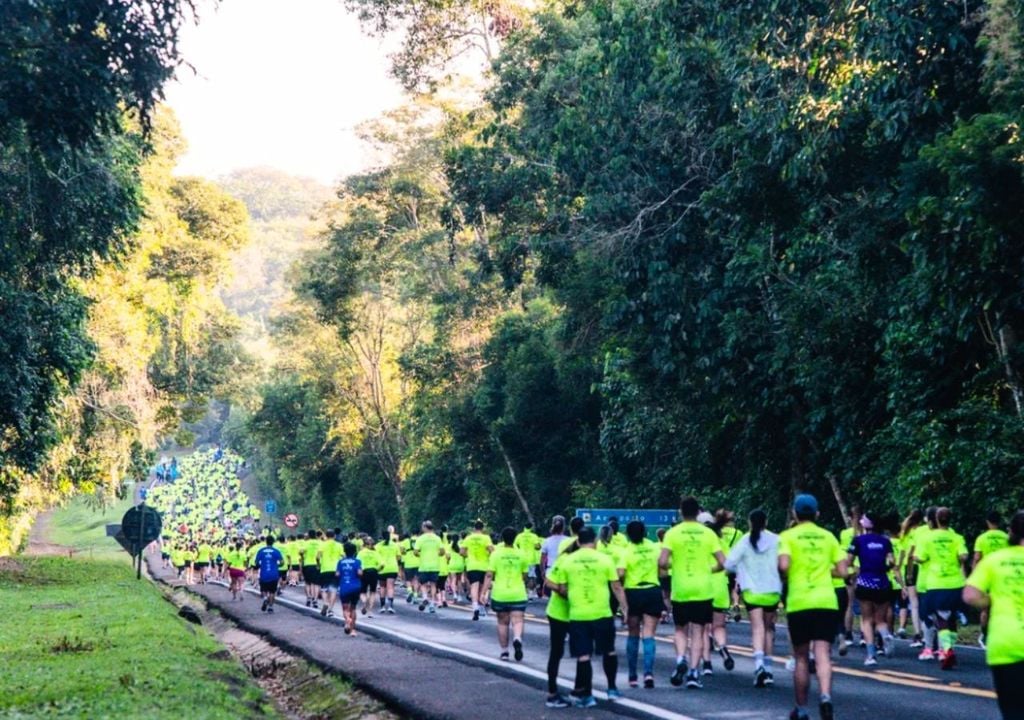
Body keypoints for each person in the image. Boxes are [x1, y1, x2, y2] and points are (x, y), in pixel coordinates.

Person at [778, 494, 848, 720]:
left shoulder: (787, 537)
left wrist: (788, 573)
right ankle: (826, 696)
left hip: (800, 602)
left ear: (795, 515)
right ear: (817, 514)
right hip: (826, 600)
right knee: (823, 654)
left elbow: (784, 566)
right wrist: (827, 571)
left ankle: (801, 708)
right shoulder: (828, 537)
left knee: (801, 657)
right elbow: (844, 571)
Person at [547, 526, 628, 708]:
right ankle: (612, 688)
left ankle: (587, 695)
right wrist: (625, 608)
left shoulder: (568, 560)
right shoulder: (605, 559)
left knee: (584, 655)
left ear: (577, 540)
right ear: (596, 541)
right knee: (609, 650)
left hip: (578, 614)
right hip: (602, 612)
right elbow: (616, 586)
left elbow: (556, 584)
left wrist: (568, 593)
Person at [659, 496, 726, 690]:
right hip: (703, 589)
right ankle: (694, 673)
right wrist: (709, 569)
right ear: (698, 513)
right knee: (698, 631)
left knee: (680, 629)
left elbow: (662, 562)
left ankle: (681, 658)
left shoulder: (673, 533)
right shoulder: (708, 534)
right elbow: (723, 562)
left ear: (681, 512)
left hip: (681, 589)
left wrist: (675, 565)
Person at [963, 510, 1024, 720]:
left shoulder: (996, 560)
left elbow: (970, 595)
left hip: (1006, 643)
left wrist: (991, 600)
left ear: (1012, 532)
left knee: (1014, 710)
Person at [725, 508, 781, 688]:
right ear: (766, 522)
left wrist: (742, 569)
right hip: (772, 590)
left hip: (752, 591)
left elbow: (729, 563)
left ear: (750, 523)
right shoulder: (776, 539)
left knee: (757, 628)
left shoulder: (744, 540)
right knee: (769, 629)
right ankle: (769, 670)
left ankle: (758, 666)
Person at [914, 507, 968, 669]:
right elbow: (964, 556)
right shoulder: (957, 537)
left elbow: (919, 557)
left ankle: (946, 650)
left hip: (936, 583)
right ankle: (949, 647)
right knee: (951, 618)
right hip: (956, 582)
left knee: (941, 617)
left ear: (936, 520)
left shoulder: (927, 538)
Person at [847, 513, 896, 666]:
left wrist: (850, 573)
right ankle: (885, 634)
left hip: (865, 583)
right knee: (880, 619)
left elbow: (848, 560)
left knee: (867, 619)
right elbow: (892, 562)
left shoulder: (858, 540)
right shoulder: (886, 541)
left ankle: (871, 655)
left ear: (867, 525)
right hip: (883, 583)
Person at [622, 520, 662, 689]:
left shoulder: (626, 550)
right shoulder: (654, 547)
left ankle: (632, 676)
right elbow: (663, 567)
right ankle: (648, 673)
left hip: (633, 592)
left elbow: (621, 573)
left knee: (633, 633)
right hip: (652, 590)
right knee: (649, 634)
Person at [484, 527, 530, 661]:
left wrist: (484, 592)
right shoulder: (521, 554)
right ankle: (517, 638)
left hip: (500, 594)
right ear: (515, 538)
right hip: (518, 593)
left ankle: (504, 652)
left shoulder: (496, 554)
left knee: (503, 622)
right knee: (518, 620)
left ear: (502, 538)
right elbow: (525, 575)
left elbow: (489, 574)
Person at [972, 511, 1010, 649]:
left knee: (985, 609)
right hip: (1004, 576)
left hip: (987, 576)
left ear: (987, 522)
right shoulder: (1006, 537)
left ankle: (985, 636)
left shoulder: (982, 538)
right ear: (999, 521)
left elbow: (977, 558)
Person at [462, 520, 494, 620]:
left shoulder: (468, 538)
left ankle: (475, 606)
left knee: (474, 586)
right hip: (484, 565)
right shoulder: (486, 538)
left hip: (472, 565)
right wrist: (487, 555)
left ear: (474, 528)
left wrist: (470, 556)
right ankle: (481, 607)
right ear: (483, 528)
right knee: (482, 587)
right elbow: (492, 550)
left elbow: (462, 552)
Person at [414, 521, 445, 613]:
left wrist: (421, 554)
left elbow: (415, 552)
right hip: (435, 565)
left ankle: (424, 597)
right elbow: (442, 551)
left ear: (425, 527)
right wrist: (437, 554)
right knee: (433, 585)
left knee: (423, 584)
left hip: (424, 565)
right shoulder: (437, 538)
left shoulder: (421, 538)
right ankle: (432, 604)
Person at [336, 542, 363, 635]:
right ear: (354, 552)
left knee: (345, 608)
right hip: (356, 586)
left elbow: (337, 574)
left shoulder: (341, 562)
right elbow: (360, 573)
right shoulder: (357, 561)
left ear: (345, 551)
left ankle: (348, 619)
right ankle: (353, 630)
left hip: (344, 587)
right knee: (353, 608)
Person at [317, 530, 344, 618]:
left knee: (324, 589)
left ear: (326, 536)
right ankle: (330, 610)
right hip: (336, 570)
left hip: (325, 569)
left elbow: (317, 556)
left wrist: (318, 564)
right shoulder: (339, 545)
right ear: (335, 536)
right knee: (333, 590)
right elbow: (343, 556)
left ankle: (325, 603)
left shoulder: (322, 544)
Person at [255, 536, 285, 613]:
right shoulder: (276, 551)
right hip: (274, 574)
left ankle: (265, 599)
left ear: (266, 541)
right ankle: (270, 607)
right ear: (273, 542)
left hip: (264, 574)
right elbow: (282, 562)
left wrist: (260, 565)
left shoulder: (261, 551)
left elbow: (256, 562)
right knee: (272, 592)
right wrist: (277, 565)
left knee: (264, 590)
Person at [540, 515, 568, 598]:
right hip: (565, 570)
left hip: (551, 571)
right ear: (564, 527)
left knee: (553, 597)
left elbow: (542, 559)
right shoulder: (568, 540)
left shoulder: (547, 541)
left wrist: (542, 572)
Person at [357, 537, 382, 617]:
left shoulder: (361, 553)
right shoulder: (376, 553)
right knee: (373, 592)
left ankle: (364, 601)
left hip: (364, 572)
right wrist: (378, 570)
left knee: (362, 591)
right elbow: (382, 564)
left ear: (364, 544)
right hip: (373, 572)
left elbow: (357, 563)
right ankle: (370, 611)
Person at [376, 531, 400, 614]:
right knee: (390, 587)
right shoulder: (395, 545)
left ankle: (382, 606)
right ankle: (390, 606)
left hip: (382, 568)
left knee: (382, 587)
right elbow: (398, 557)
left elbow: (376, 557)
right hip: (392, 568)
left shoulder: (378, 546)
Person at [302, 530, 322, 609]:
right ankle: (315, 600)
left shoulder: (306, 543)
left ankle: (309, 598)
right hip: (317, 565)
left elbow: (301, 551)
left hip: (307, 564)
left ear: (309, 535)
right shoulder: (320, 543)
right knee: (316, 583)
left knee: (308, 583)